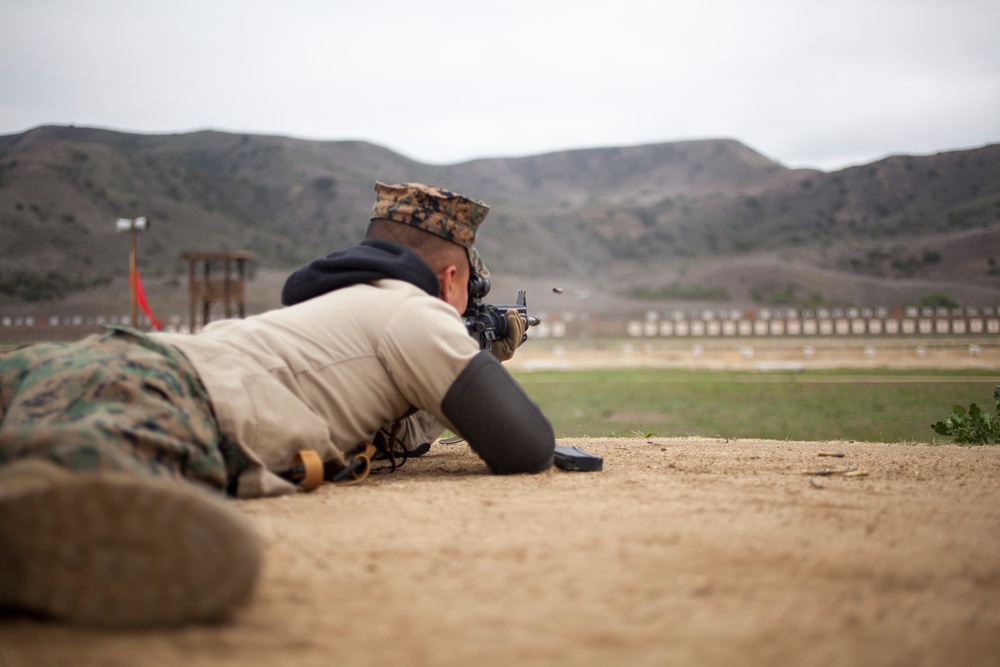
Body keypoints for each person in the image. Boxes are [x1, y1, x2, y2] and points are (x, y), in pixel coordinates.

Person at [0, 182, 555, 629]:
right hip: (175, 395)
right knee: (88, 485)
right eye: (466, 296)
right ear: (450, 278)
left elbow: (382, 434)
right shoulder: (417, 311)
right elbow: (525, 445)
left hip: (92, 359)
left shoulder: (337, 304)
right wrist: (480, 355)